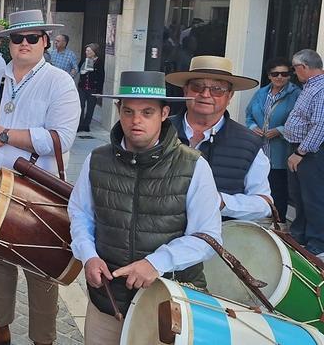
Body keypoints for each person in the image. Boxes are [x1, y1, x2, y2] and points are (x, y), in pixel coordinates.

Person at [68, 71, 221, 344]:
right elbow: (80, 213)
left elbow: (208, 238)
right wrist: (87, 255)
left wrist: (156, 263)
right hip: (108, 300)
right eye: (128, 111)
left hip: (167, 306)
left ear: (164, 114)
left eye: (146, 112)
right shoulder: (97, 159)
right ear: (118, 110)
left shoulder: (194, 165)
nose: (135, 120)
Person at [0, 10, 80, 345]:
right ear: (8, 43)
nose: (24, 44)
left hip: (37, 191)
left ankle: (43, 339)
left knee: (41, 268)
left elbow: (61, 137)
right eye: (17, 38)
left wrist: (5, 136)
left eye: (32, 38)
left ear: (44, 41)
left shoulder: (59, 82)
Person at [165, 56, 272, 221]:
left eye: (217, 89)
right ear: (185, 91)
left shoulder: (249, 143)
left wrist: (220, 202)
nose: (205, 94)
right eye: (197, 87)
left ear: (230, 96)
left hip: (217, 241)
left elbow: (265, 204)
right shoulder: (159, 130)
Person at [245, 57, 301, 218]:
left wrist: (280, 130)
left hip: (280, 151)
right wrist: (252, 127)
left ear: (290, 75)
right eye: (275, 74)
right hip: (260, 149)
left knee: (278, 190)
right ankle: (260, 222)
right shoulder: (261, 93)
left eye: (284, 74)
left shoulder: (296, 94)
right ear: (269, 75)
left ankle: (279, 223)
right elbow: (249, 115)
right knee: (257, 186)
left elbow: (301, 121)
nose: (279, 77)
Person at [284, 49, 324, 258]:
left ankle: (317, 242)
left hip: (310, 151)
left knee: (313, 197)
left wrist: (300, 152)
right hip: (301, 148)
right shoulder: (310, 87)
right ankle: (300, 236)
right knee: (299, 195)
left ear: (305, 67)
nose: (294, 72)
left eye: (295, 68)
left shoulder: (321, 88)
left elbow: (320, 125)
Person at [77, 43, 104, 133]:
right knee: (80, 106)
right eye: (86, 50)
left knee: (90, 107)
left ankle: (86, 124)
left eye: (89, 51)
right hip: (82, 87)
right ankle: (80, 125)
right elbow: (78, 69)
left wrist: (99, 91)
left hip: (93, 88)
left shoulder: (99, 62)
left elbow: (101, 77)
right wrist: (83, 70)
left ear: (94, 52)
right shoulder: (84, 60)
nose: (86, 52)